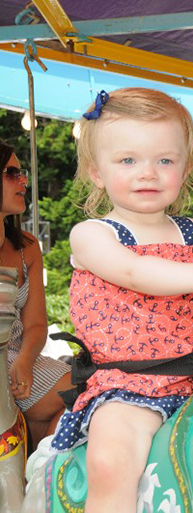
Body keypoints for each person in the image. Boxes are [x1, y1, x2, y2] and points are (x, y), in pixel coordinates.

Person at [47, 88, 193, 512]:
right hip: (131, 386)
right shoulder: (93, 236)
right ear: (96, 171)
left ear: (185, 167)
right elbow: (135, 272)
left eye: (165, 160)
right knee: (112, 459)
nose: (148, 174)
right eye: (128, 160)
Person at [0, 141, 71, 447]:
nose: (23, 181)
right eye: (11, 173)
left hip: (19, 356)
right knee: (91, 390)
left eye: (22, 173)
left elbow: (37, 325)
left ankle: (39, 471)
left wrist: (26, 360)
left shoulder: (27, 245)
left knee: (94, 389)